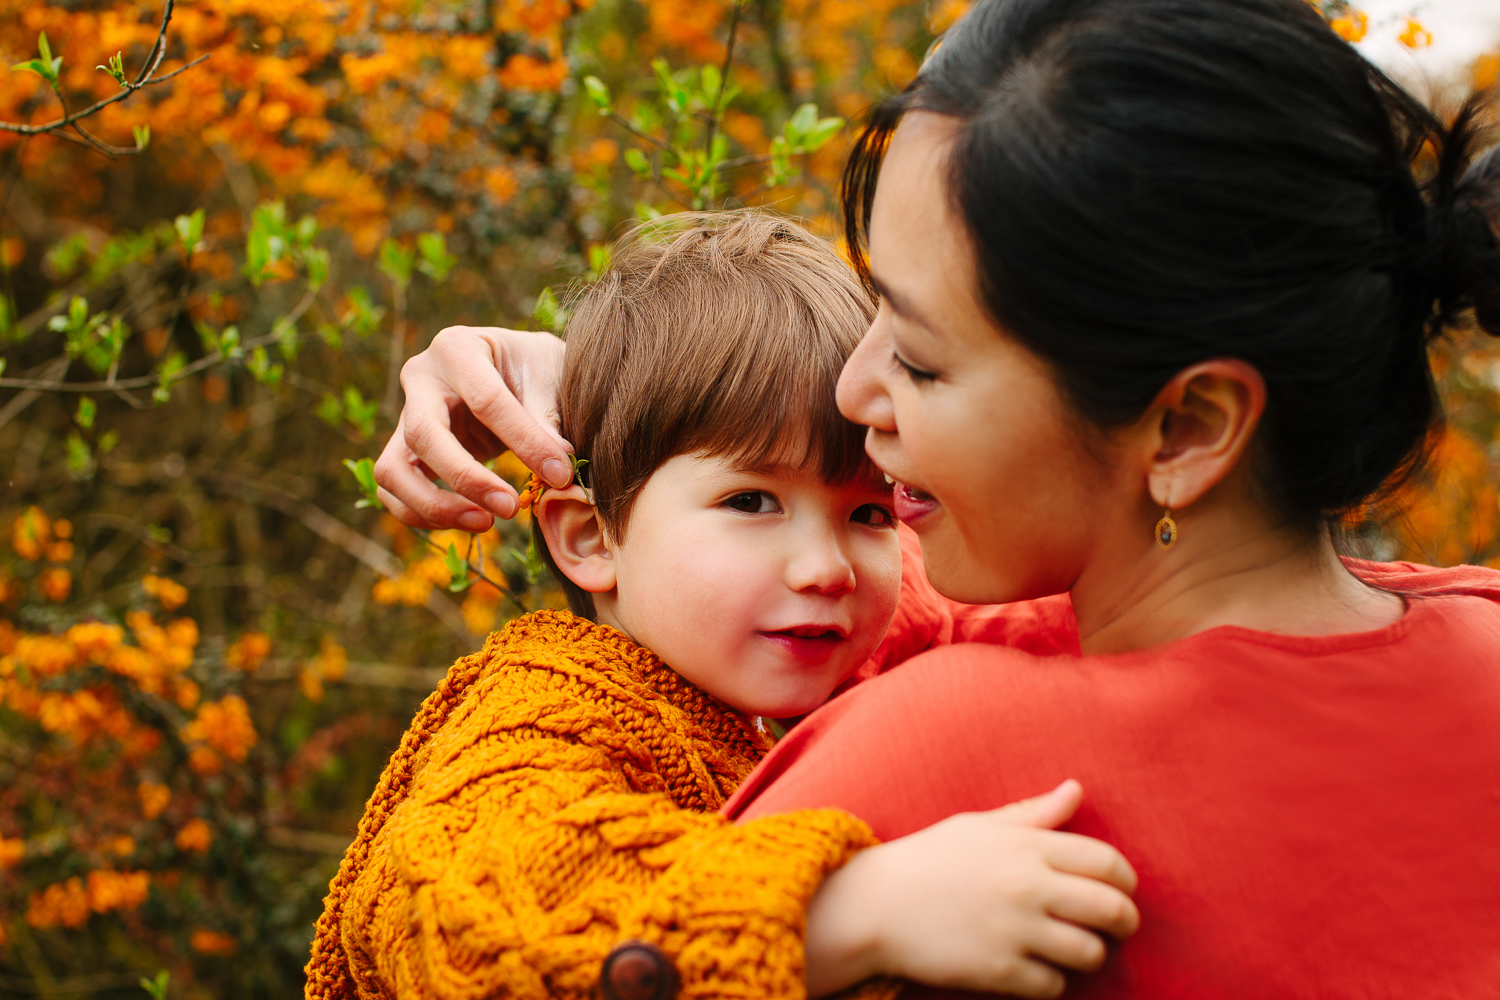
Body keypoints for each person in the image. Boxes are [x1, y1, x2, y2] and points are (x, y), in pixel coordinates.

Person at [378, 0, 1500, 994]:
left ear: (1188, 428)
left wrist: (833, 911)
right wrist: (639, 407)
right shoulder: (1473, 624)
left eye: (917, 357)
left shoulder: (937, 757)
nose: (853, 388)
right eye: (754, 503)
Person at [307, 213, 1140, 1000]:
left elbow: (1014, 623)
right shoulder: (546, 707)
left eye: (869, 513)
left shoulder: (785, 659)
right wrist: (860, 911)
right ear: (591, 540)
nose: (825, 569)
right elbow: (466, 916)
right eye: (751, 502)